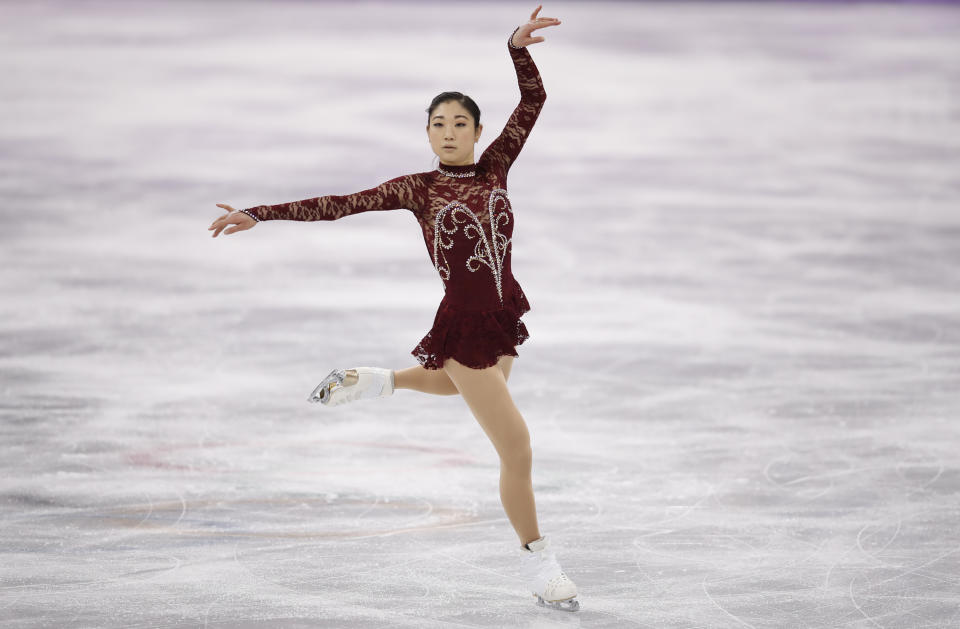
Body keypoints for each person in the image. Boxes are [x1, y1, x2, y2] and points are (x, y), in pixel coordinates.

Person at [208, 5, 578, 612]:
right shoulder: (418, 189)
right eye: (439, 123)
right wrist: (261, 211)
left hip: (503, 312)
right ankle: (542, 567)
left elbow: (533, 103)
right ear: (427, 134)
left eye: (461, 121)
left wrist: (517, 49)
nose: (450, 131)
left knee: (462, 391)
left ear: (479, 132)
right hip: (462, 324)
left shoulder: (497, 167)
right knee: (518, 448)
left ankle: (374, 382)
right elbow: (340, 203)